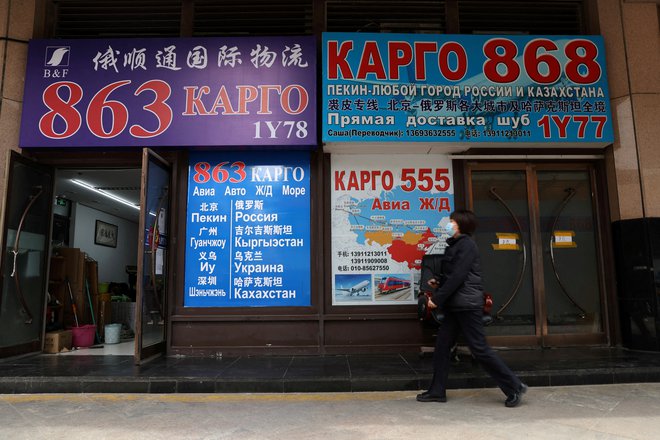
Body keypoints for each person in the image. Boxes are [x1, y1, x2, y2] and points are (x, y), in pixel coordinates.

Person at [417, 209, 528, 408]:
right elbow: (453, 274)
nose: (449, 224)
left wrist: (438, 299)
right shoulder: (455, 245)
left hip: (466, 306)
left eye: (452, 221)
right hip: (456, 306)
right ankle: (437, 391)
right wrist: (438, 282)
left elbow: (459, 277)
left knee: (479, 348)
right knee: (442, 348)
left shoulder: (467, 245)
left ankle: (514, 386)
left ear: (461, 225)